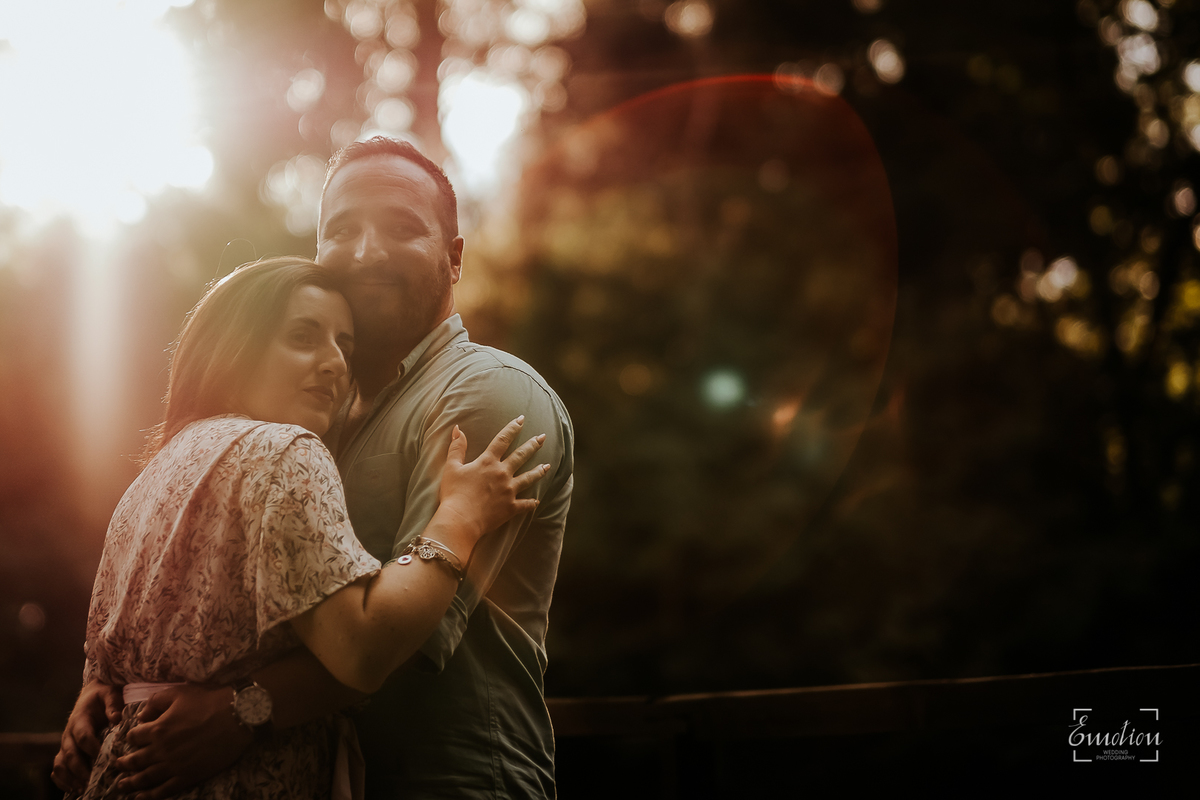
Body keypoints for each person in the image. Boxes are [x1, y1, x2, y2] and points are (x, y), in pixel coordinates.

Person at [59, 138, 574, 798]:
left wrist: (242, 712)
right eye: (343, 230)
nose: (366, 252)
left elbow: (398, 644)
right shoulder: (304, 424)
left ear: (453, 260)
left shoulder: (487, 393)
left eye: (401, 228)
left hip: (451, 780)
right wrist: (109, 689)